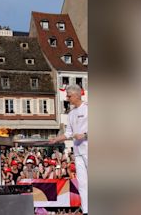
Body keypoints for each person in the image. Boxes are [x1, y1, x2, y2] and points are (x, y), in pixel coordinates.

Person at [49, 84, 88, 215]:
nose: (67, 98)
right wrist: (56, 139)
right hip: (78, 152)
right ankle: (87, 210)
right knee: (82, 183)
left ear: (77, 95)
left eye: (69, 96)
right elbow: (68, 133)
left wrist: (85, 135)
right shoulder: (71, 114)